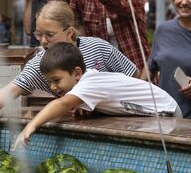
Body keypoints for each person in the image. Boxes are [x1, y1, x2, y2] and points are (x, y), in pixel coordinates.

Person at [0, 1, 140, 145]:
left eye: (49, 34)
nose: (43, 41)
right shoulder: (40, 63)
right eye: (38, 34)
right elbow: (12, 89)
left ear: (69, 32)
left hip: (121, 120)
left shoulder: (98, 47)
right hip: (81, 131)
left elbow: (133, 76)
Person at [13, 42, 180, 147]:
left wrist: (31, 126)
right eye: (49, 81)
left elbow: (62, 104)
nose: (53, 87)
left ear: (77, 73)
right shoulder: (90, 80)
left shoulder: (89, 84)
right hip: (159, 110)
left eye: (56, 80)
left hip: (166, 111)